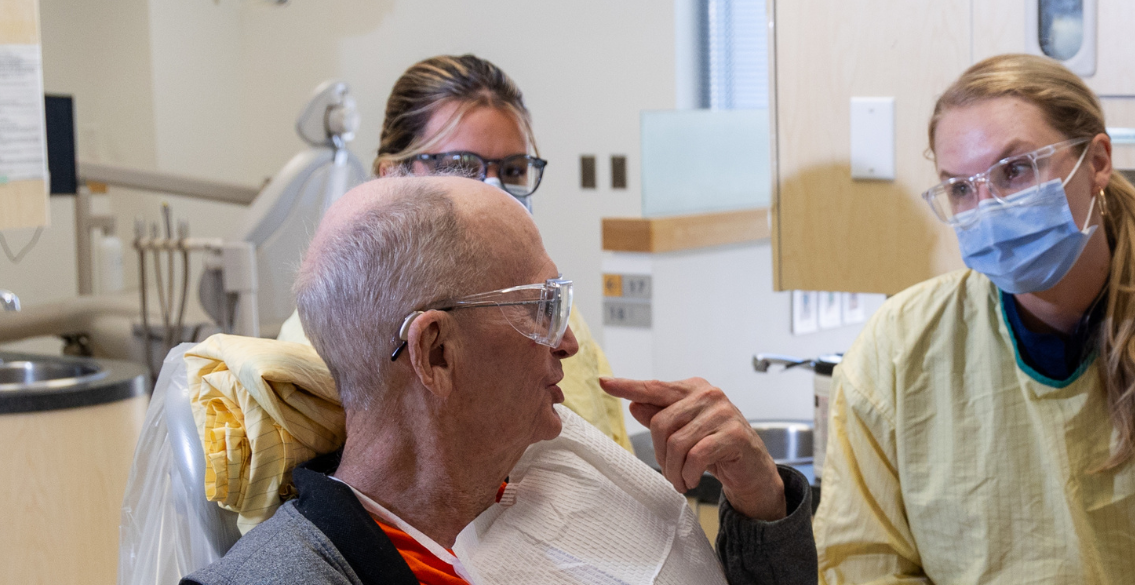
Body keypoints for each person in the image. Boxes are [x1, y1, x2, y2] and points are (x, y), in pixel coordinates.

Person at [812, 54, 1135, 583]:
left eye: (1015, 170)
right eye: (960, 188)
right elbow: (861, 564)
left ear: (1097, 163)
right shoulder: (899, 349)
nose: (988, 207)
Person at [186, 177, 814, 585]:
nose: (568, 342)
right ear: (435, 352)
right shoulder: (292, 575)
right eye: (541, 308)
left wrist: (763, 503)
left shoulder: (566, 479)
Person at [278, 54, 630, 452]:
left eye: (513, 171)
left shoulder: (548, 308)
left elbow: (608, 455)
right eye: (463, 168)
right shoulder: (328, 340)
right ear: (393, 177)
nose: (494, 191)